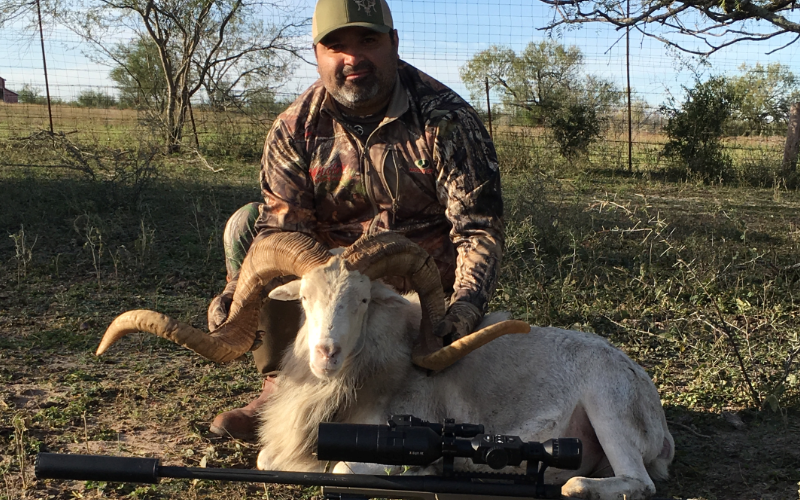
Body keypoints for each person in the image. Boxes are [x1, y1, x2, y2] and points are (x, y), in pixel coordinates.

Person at [208, 0, 504, 440]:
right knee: (248, 225)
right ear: (317, 53)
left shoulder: (447, 121)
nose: (352, 58)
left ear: (394, 43)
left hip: (415, 291)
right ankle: (281, 383)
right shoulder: (294, 128)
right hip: (327, 290)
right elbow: (281, 230)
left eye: (368, 40)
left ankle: (419, 368)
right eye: (335, 46)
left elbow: (478, 229)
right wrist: (238, 297)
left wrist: (461, 309)